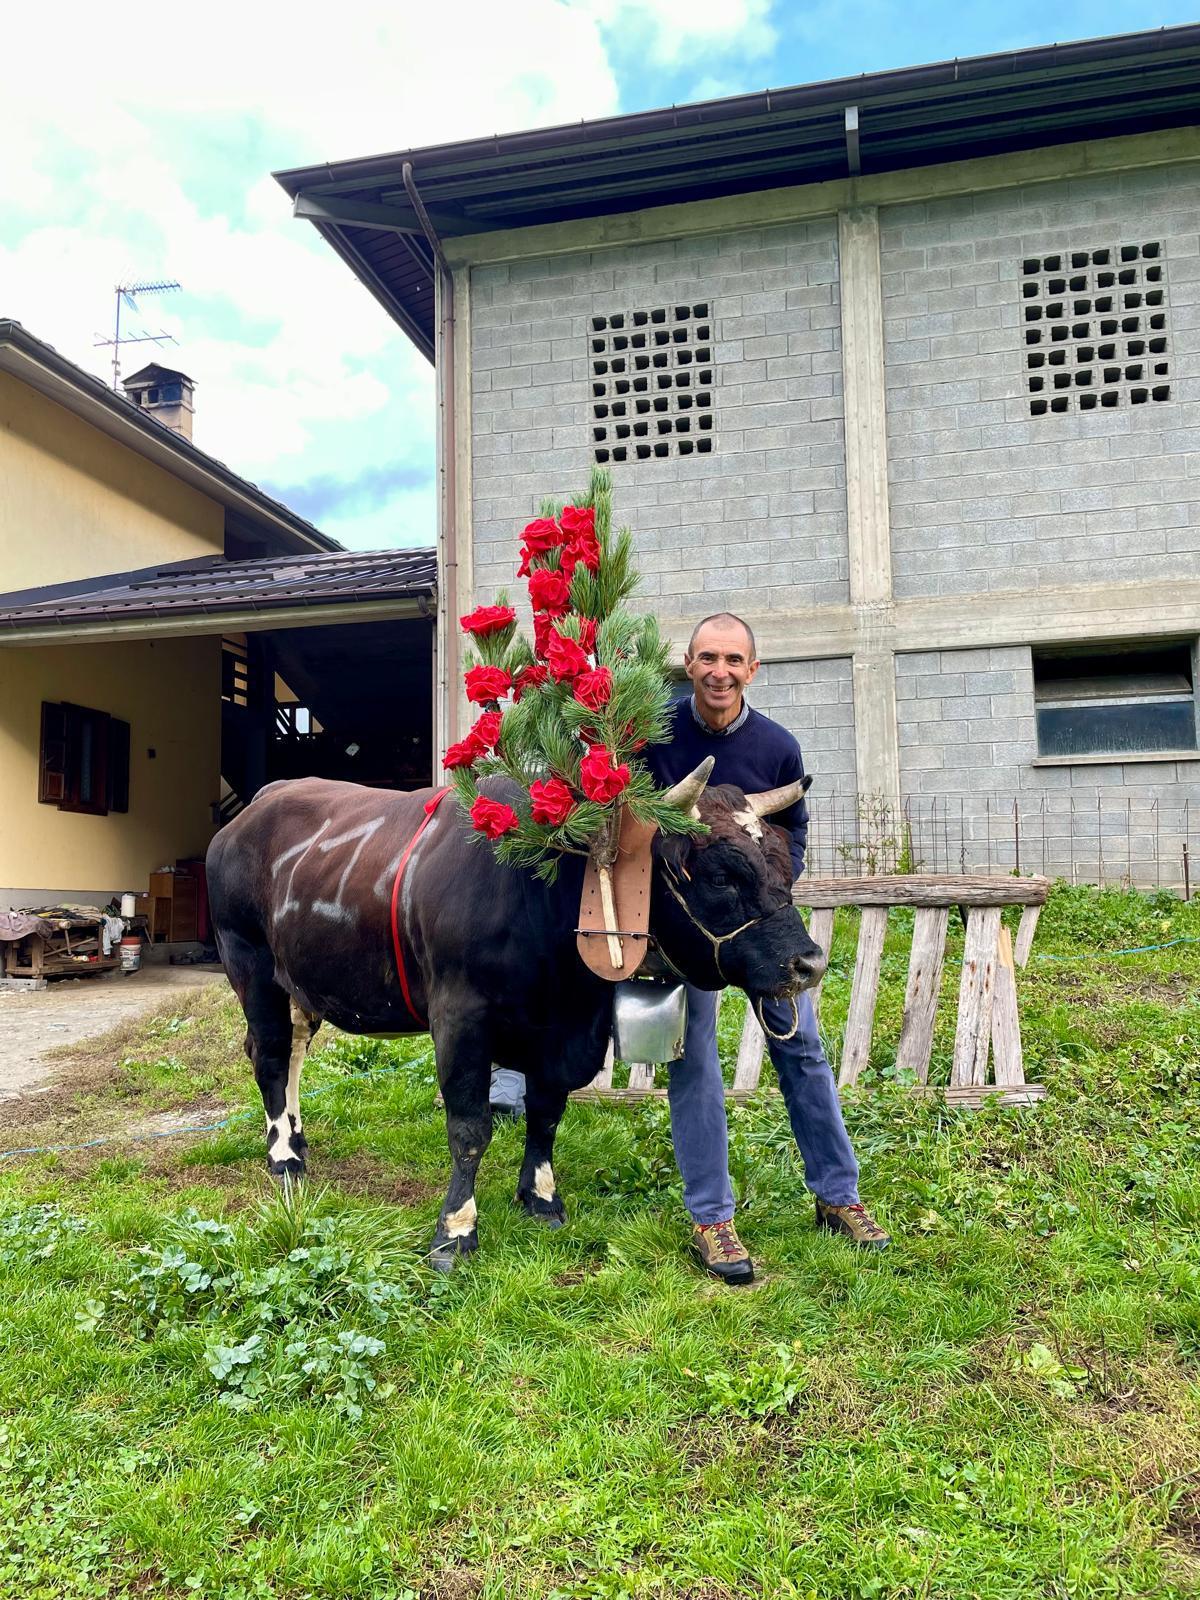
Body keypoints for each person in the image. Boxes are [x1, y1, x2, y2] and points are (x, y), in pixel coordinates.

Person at [644, 613, 889, 1285]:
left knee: (801, 1048)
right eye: (706, 658)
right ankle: (712, 1219)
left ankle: (839, 1196)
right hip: (689, 933)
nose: (719, 670)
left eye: (733, 659)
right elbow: (631, 827)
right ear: (688, 665)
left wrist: (771, 893)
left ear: (753, 669)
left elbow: (793, 826)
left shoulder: (777, 747)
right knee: (692, 1058)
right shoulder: (654, 735)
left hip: (762, 925)